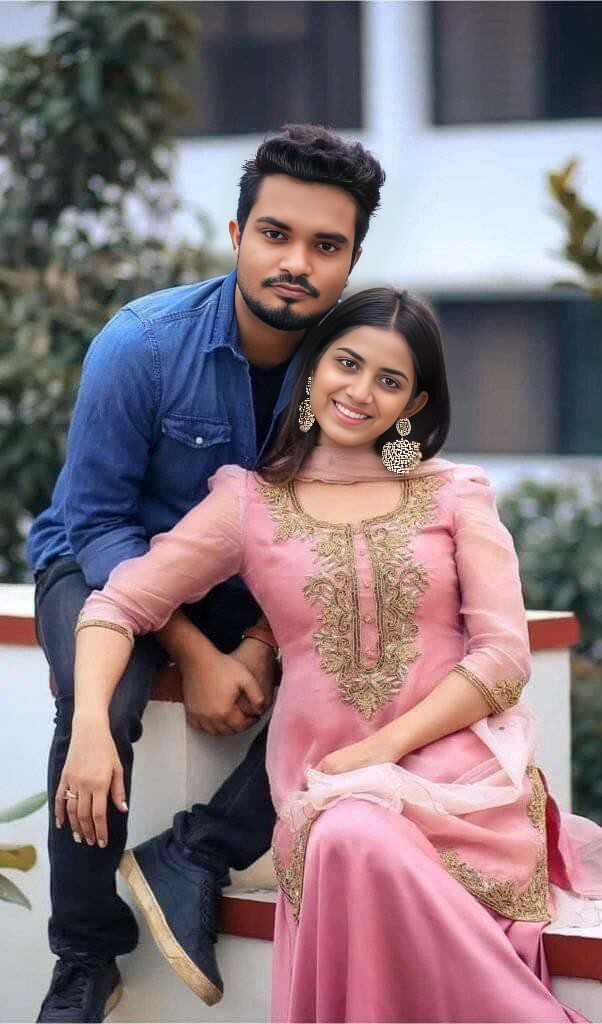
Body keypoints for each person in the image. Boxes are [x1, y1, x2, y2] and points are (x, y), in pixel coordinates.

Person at [66, 287, 602, 1022]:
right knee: (351, 833)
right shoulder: (250, 504)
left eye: (390, 380)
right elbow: (116, 605)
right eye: (347, 364)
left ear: (414, 403)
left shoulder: (454, 495)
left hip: (461, 791)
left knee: (357, 834)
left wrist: (382, 750)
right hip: (327, 792)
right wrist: (91, 726)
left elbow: (504, 657)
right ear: (314, 366)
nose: (360, 391)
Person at [28, 124, 386, 1022]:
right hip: (102, 559)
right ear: (236, 235)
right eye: (275, 234)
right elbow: (96, 521)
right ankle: (84, 958)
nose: (295, 263)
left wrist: (262, 643)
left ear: (351, 260)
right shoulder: (141, 345)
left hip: (252, 588)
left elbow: (352, 528)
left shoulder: (354, 372)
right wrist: (194, 652)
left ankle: (198, 851)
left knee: (372, 660)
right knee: (103, 702)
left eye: (326, 245)